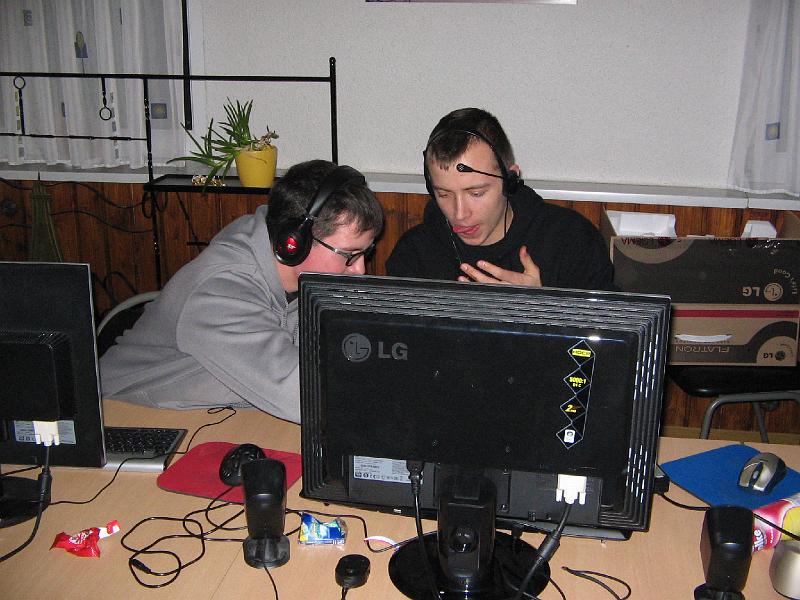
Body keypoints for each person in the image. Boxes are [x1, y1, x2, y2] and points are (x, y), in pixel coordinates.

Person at [100, 160, 384, 423]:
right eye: (349, 254)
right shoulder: (218, 294)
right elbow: (305, 396)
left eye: (365, 252)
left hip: (215, 413)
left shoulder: (301, 275)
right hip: (126, 418)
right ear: (294, 242)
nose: (359, 269)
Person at [386, 108, 614, 290]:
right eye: (443, 194)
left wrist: (543, 310)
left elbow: (603, 332)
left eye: (476, 193)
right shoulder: (414, 253)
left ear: (510, 180)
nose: (460, 214)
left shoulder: (571, 241)